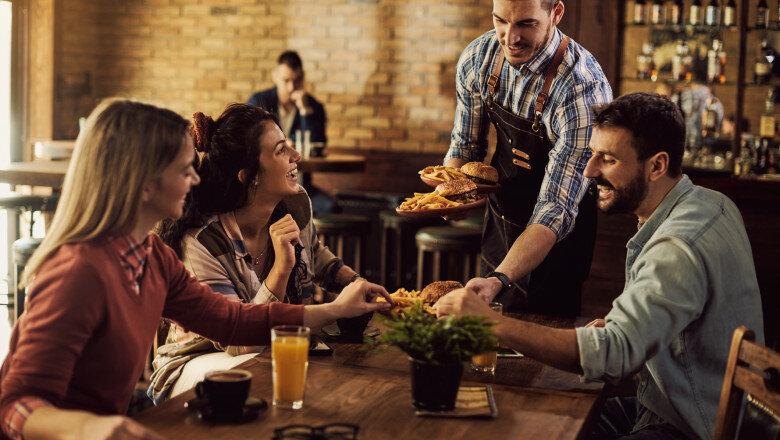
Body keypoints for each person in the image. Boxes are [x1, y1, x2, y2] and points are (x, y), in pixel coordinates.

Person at [0, 99, 391, 440]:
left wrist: (338, 309)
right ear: (144, 184)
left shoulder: (152, 257)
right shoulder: (78, 272)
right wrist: (88, 430)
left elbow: (234, 320)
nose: (195, 178)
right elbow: (14, 405)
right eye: (184, 168)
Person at [436, 93, 764, 439]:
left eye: (607, 159)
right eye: (592, 154)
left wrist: (490, 323)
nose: (590, 171)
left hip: (689, 426)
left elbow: (612, 358)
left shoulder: (675, 247)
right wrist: (630, 324)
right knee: (546, 421)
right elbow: (691, 309)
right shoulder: (714, 204)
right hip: (686, 406)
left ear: (657, 166)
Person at [149, 104, 362, 402]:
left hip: (271, 346)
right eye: (280, 150)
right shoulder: (203, 242)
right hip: (199, 360)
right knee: (268, 377)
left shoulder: (296, 203)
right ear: (250, 176)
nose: (296, 155)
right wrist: (282, 269)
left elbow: (315, 254)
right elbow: (238, 341)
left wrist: (354, 283)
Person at [444, 0, 613, 316]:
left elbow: (555, 208)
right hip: (501, 223)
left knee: (540, 351)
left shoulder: (580, 88)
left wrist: (498, 280)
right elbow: (465, 148)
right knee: (489, 346)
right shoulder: (478, 58)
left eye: (526, 24)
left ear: (556, 14)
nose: (509, 37)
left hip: (557, 246)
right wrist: (452, 195)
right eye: (500, 21)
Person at [248, 50, 334, 215]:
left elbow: (317, 146)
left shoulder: (314, 107)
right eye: (286, 80)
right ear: (275, 76)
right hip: (265, 186)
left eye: (297, 80)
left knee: (330, 207)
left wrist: (304, 111)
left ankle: (313, 241)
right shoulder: (258, 102)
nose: (291, 87)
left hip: (301, 184)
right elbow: (250, 143)